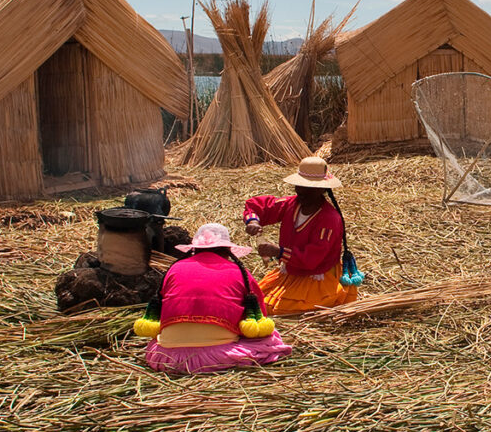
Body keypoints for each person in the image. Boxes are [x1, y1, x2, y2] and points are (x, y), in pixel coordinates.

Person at [132, 223, 292, 374]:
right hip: (218, 357)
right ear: (227, 250)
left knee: (155, 342)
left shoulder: (174, 269)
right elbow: (259, 320)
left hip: (169, 358)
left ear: (194, 250)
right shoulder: (239, 272)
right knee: (271, 339)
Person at [244, 156, 359, 315]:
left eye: (308, 188)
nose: (301, 191)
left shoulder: (329, 219)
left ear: (322, 189)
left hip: (316, 276)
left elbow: (311, 259)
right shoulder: (292, 204)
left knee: (274, 309)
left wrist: (278, 252)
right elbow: (257, 206)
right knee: (253, 300)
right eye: (299, 186)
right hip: (291, 271)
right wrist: (253, 222)